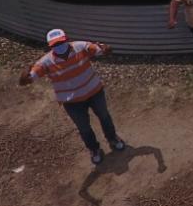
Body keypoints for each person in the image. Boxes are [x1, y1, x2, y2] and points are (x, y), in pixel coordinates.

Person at [18, 29, 126, 165]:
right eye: (55, 45)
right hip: (73, 103)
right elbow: (26, 80)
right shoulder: (46, 62)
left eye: (61, 42)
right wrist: (25, 76)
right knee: (84, 128)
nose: (59, 46)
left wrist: (105, 48)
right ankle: (94, 149)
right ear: (50, 47)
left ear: (67, 39)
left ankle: (113, 139)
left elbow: (99, 49)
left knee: (104, 116)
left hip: (95, 92)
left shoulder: (80, 47)